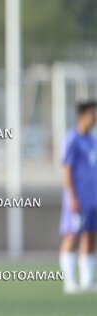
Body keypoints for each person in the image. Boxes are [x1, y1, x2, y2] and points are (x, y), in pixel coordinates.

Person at [59, 100, 97, 294]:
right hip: (78, 198)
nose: (95, 118)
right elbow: (67, 169)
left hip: (93, 198)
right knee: (73, 235)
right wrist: (72, 197)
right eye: (92, 114)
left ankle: (87, 280)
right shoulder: (72, 139)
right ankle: (69, 281)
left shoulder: (93, 140)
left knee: (91, 237)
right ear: (81, 116)